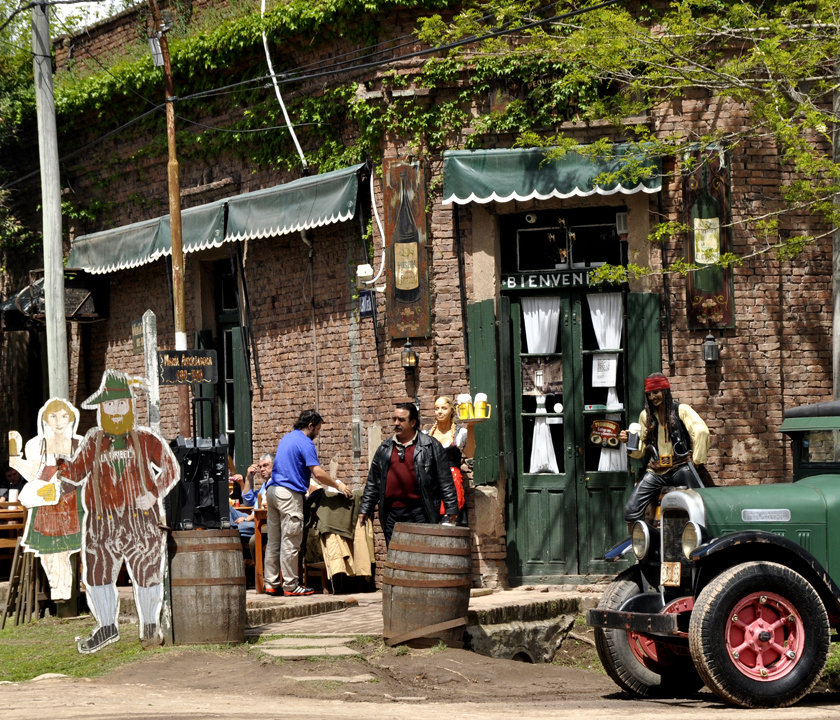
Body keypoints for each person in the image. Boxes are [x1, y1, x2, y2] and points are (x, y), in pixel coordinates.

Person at [55, 371, 180, 653]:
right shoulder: (93, 441)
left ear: (129, 406)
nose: (115, 410)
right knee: (98, 573)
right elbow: (76, 473)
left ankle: (150, 627)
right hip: (101, 521)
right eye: (110, 405)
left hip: (140, 521)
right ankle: (107, 627)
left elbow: (171, 469)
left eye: (120, 404)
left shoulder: (146, 439)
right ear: (102, 409)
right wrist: (61, 461)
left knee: (147, 570)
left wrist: (153, 494)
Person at [264, 410, 351, 597]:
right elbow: (318, 473)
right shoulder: (306, 443)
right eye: (317, 429)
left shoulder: (286, 438)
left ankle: (271, 584)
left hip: (272, 491)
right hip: (289, 494)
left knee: (274, 541)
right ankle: (290, 586)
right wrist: (338, 485)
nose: (317, 434)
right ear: (310, 425)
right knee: (291, 540)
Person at [11, 398, 84, 600]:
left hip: (73, 502)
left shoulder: (80, 442)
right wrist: (16, 462)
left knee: (76, 548)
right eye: (53, 416)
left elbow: (84, 472)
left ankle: (77, 587)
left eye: (63, 416)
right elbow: (38, 473)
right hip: (48, 505)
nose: (58, 421)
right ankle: (58, 590)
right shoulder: (36, 445)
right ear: (45, 419)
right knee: (51, 552)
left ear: (71, 419)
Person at [359, 402, 459, 546]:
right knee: (395, 554)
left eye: (401, 420)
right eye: (394, 419)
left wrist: (451, 507)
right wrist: (365, 508)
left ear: (413, 422)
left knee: (420, 554)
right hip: (391, 513)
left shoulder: (430, 446)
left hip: (420, 511)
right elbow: (373, 482)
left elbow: (445, 479)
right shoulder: (385, 448)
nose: (396, 423)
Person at [619, 372, 710, 525]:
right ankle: (642, 545)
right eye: (649, 394)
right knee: (631, 511)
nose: (653, 397)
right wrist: (629, 441)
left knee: (697, 508)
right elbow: (640, 449)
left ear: (665, 391)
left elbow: (701, 431)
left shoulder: (682, 410)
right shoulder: (645, 416)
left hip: (680, 467)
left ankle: (695, 543)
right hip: (656, 470)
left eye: (656, 392)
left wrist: (696, 462)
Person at [425, 396, 468, 523]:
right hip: (432, 483)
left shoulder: (460, 433)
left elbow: (470, 453)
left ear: (451, 411)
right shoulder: (426, 435)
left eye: (444, 408)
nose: (440, 411)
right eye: (437, 408)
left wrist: (471, 427)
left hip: (452, 482)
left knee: (450, 525)